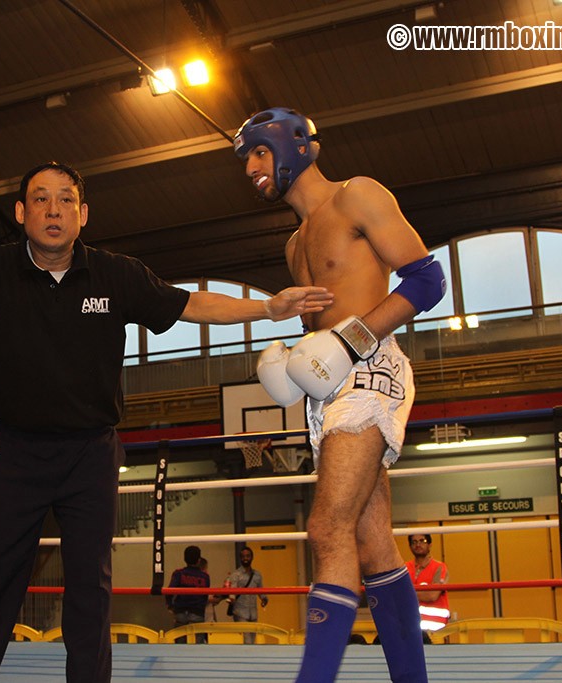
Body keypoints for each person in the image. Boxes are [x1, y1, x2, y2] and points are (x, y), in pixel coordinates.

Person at [0, 160, 333, 683]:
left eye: (64, 199)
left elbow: (190, 303)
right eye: (39, 198)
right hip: (14, 453)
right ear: (19, 212)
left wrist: (266, 308)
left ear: (83, 214)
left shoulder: (116, 274)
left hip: (90, 455)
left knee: (90, 591)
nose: (52, 209)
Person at [236, 107, 446, 682]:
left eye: (260, 150)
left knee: (327, 529)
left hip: (371, 366)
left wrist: (352, 340)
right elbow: (324, 334)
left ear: (297, 147)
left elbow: (428, 280)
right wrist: (294, 361)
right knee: (372, 543)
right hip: (330, 388)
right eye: (246, 157)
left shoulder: (358, 195)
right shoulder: (293, 244)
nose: (252, 166)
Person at [404, 534, 450, 640]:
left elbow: (432, 596)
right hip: (410, 629)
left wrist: (405, 594)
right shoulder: (404, 568)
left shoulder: (439, 567)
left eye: (422, 541)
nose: (418, 545)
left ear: (430, 545)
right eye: (414, 542)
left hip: (436, 632)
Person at [166, 545, 210, 643]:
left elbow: (169, 591)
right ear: (199, 560)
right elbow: (205, 596)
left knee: (180, 644)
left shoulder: (179, 574)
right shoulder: (204, 577)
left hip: (181, 612)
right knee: (197, 644)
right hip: (197, 612)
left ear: (184, 559)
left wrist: (170, 605)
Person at [227, 546, 268, 644]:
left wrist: (264, 598)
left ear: (252, 557)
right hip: (240, 612)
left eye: (248, 556)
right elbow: (232, 591)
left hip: (253, 612)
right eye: (243, 556)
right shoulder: (235, 575)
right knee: (247, 641)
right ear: (240, 558)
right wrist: (231, 599)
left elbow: (261, 590)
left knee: (253, 641)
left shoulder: (257, 575)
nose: (245, 558)